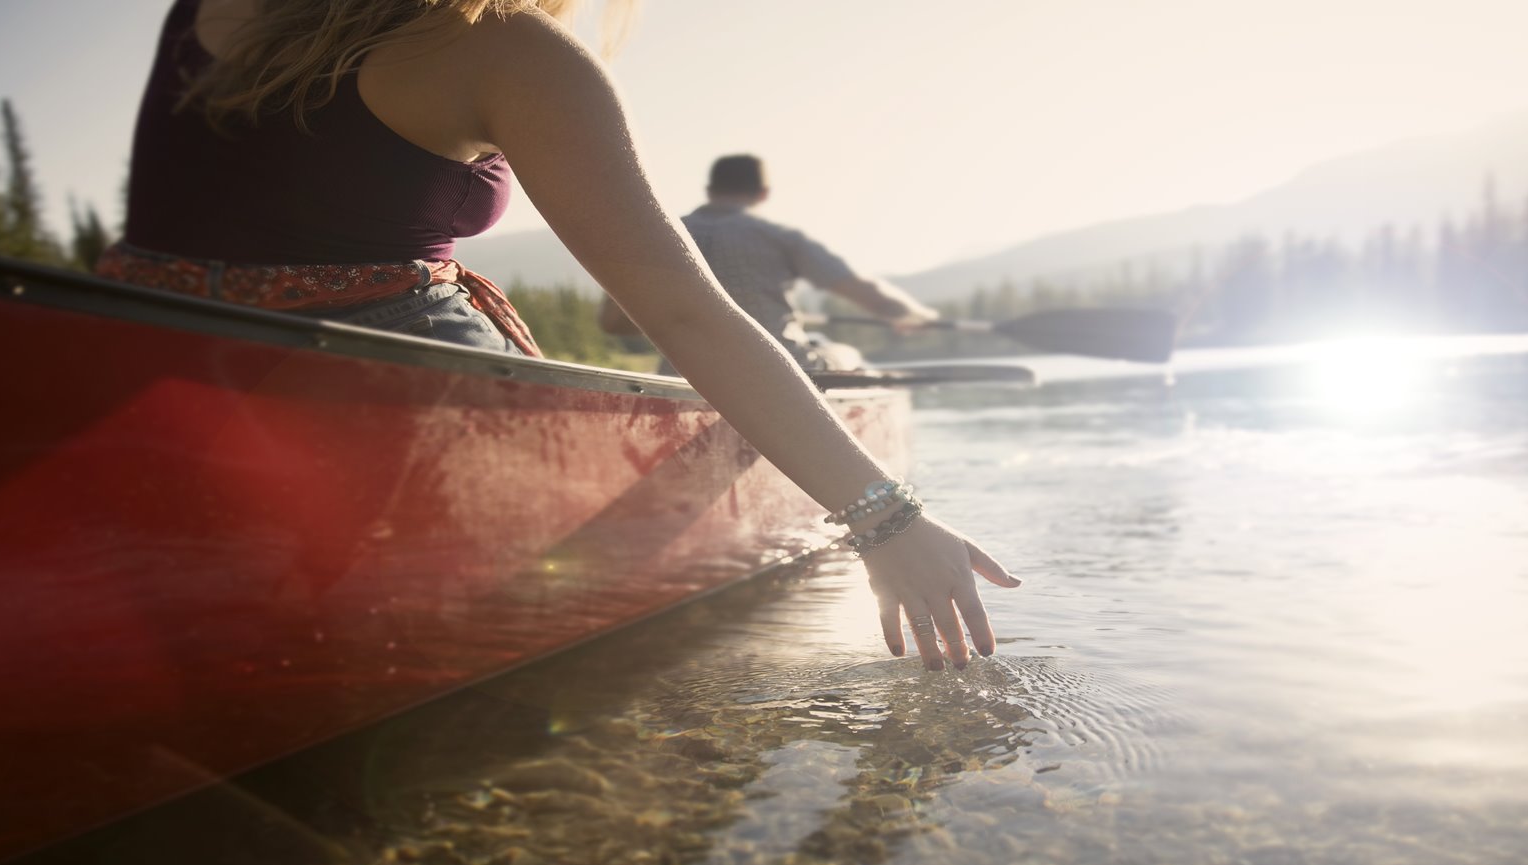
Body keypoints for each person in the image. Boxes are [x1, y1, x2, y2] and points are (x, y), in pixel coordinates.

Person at [100, 0, 1017, 670]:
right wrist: (885, 517)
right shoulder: (504, 45)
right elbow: (684, 314)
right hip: (400, 395)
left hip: (131, 361)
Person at [598, 154, 937, 371]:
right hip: (784, 372)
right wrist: (915, 316)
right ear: (763, 194)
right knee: (847, 354)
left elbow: (613, 323)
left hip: (686, 376)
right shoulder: (780, 237)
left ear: (709, 189)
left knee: (820, 342)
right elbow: (870, 295)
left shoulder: (655, 236)